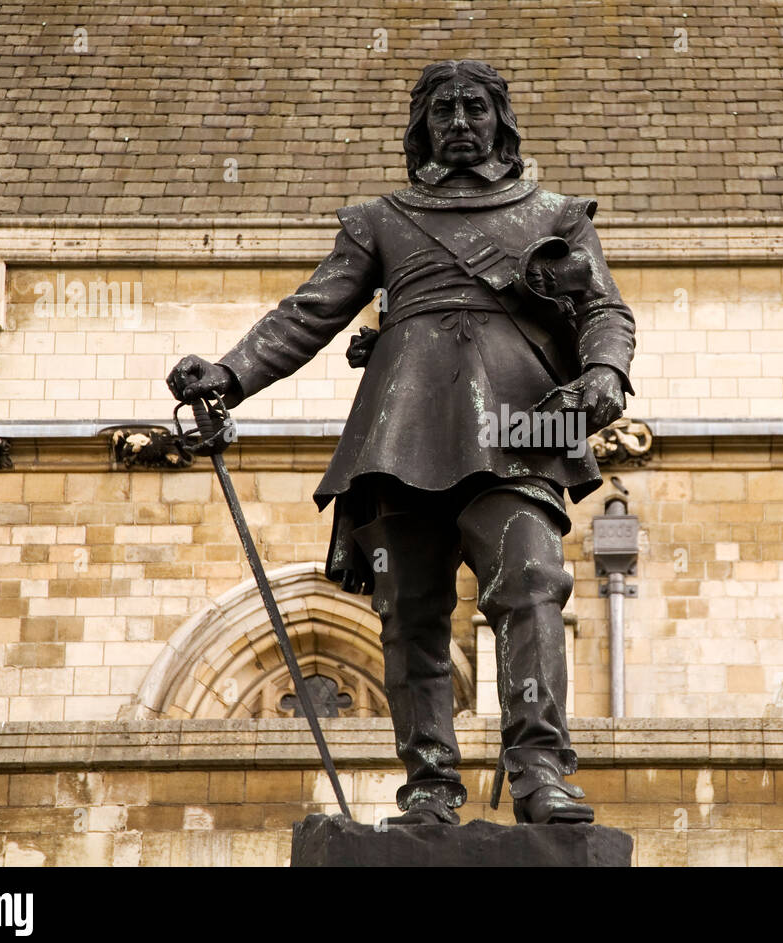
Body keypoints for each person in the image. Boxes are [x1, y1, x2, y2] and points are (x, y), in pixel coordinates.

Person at [167, 60, 635, 825]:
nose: (459, 121)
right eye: (443, 109)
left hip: (519, 428)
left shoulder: (555, 214)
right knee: (411, 612)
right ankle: (428, 785)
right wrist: (229, 372)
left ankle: (542, 770)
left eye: (475, 107)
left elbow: (606, 311)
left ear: (499, 120)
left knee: (533, 579)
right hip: (403, 430)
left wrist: (607, 370)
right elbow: (308, 313)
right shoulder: (379, 220)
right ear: (421, 127)